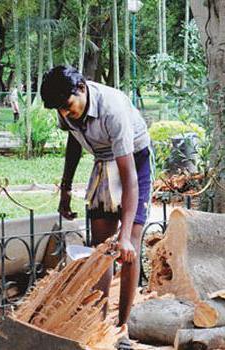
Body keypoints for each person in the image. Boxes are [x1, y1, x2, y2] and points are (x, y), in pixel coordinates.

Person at [40, 65, 152, 326]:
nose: (65, 113)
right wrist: (65, 190)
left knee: (128, 249)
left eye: (67, 106)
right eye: (60, 110)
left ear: (81, 88)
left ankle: (122, 327)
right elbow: (73, 144)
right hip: (103, 162)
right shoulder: (65, 105)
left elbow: (129, 179)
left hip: (134, 161)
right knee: (102, 247)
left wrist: (124, 236)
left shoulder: (113, 110)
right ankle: (98, 325)